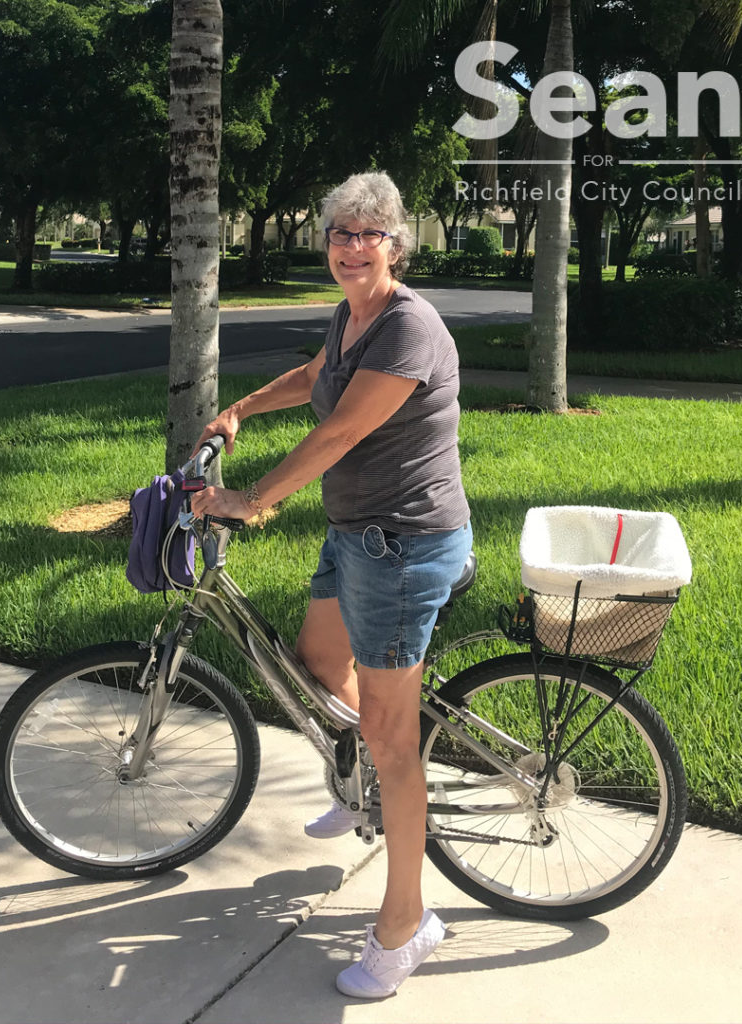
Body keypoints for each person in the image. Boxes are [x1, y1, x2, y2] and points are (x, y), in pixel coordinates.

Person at [190, 171, 472, 999]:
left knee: (393, 745)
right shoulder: (352, 318)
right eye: (340, 234)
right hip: (356, 534)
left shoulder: (408, 327)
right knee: (317, 661)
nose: (352, 248)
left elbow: (344, 428)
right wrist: (239, 409)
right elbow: (318, 376)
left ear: (396, 245)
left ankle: (404, 927)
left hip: (403, 546)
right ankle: (362, 786)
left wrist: (252, 499)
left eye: (369, 234)